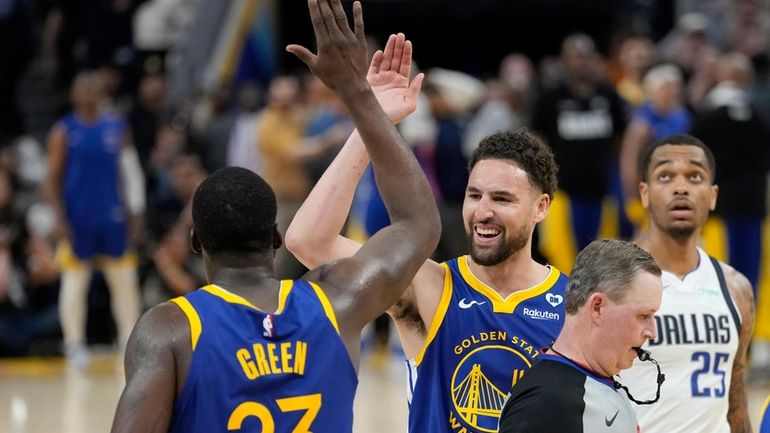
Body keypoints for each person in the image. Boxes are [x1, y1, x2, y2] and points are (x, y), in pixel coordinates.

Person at [110, 1, 441, 432]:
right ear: (276, 238)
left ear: (197, 242)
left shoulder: (169, 329)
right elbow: (418, 224)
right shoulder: (337, 302)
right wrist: (359, 96)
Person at [286, 49, 567, 433]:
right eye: (474, 195)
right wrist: (371, 121)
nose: (482, 211)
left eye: (502, 199)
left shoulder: (573, 306)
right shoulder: (432, 288)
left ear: (541, 207)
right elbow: (309, 241)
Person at [621, 133, 755, 433]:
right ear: (644, 193)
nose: (681, 187)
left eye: (695, 176)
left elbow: (736, 400)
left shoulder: (736, 287)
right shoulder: (609, 278)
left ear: (712, 195)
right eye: (665, 176)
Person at [498, 239, 662, 433]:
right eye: (643, 316)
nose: (652, 332)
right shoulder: (544, 404)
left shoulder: (592, 380)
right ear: (597, 307)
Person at [44, 70, 146, 369]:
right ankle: (74, 344)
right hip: (77, 219)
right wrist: (58, 218)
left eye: (93, 87)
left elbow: (131, 173)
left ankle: (129, 341)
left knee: (125, 284)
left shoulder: (117, 126)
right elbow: (51, 181)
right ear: (74, 94)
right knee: (74, 285)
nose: (89, 93)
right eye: (83, 88)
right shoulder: (64, 131)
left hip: (113, 216)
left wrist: (136, 213)